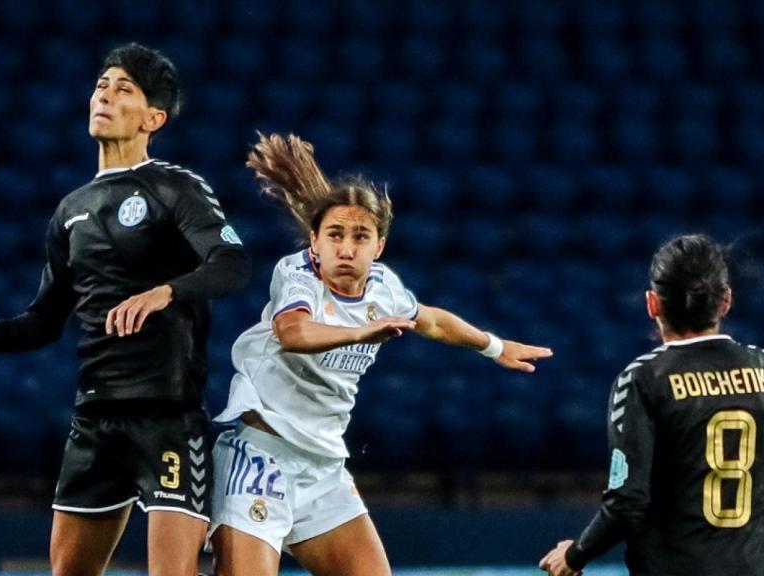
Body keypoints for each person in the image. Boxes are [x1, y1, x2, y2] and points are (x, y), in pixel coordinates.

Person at [0, 43, 251, 575]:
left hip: (166, 416)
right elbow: (45, 318)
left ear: (154, 117)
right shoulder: (70, 210)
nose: (104, 93)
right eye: (102, 84)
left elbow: (232, 262)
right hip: (95, 419)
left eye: (123, 88)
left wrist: (164, 291)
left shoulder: (176, 187)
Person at [208, 133, 553, 575]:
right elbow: (292, 332)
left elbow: (430, 320)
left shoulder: (385, 288)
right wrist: (357, 332)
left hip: (324, 469)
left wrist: (495, 346)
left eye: (360, 236)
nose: (346, 248)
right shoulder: (296, 275)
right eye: (334, 235)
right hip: (259, 458)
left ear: (379, 246)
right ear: (314, 242)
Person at [539, 234, 764, 576]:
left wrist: (574, 555)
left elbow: (627, 503)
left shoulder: (643, 380)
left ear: (652, 304)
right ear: (725, 302)